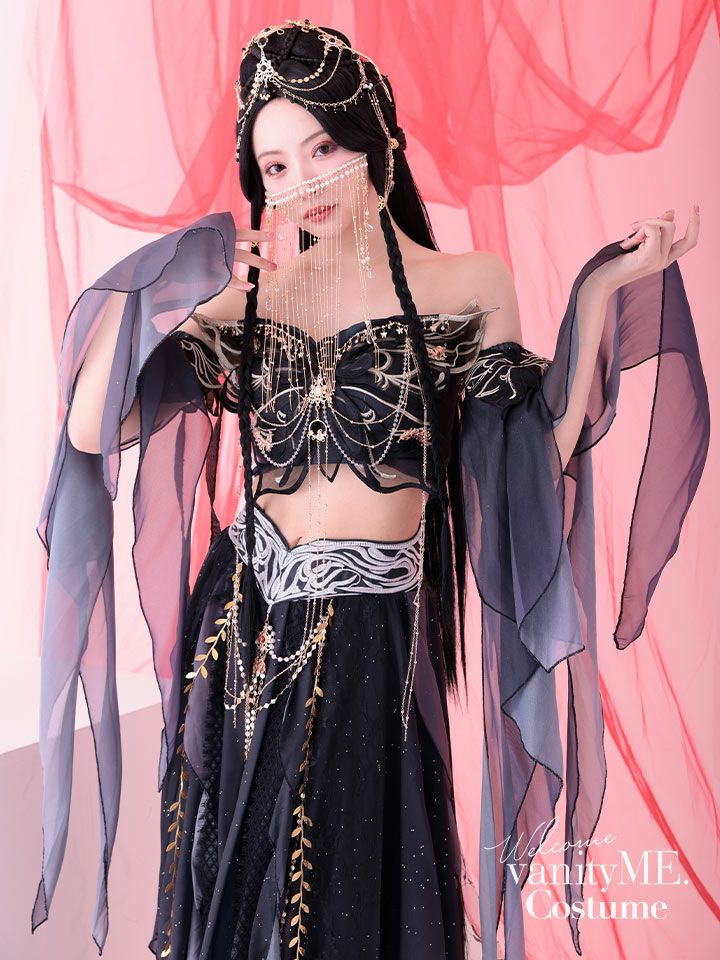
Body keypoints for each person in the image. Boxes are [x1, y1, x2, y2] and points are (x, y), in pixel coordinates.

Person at [30, 18, 708, 960]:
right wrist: (171, 281)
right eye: (274, 167)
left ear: (375, 137)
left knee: (342, 904)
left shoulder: (464, 285)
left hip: (368, 632)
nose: (302, 183)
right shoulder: (248, 299)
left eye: (322, 148)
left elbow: (532, 456)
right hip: (241, 626)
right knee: (243, 905)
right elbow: (88, 428)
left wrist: (597, 297)